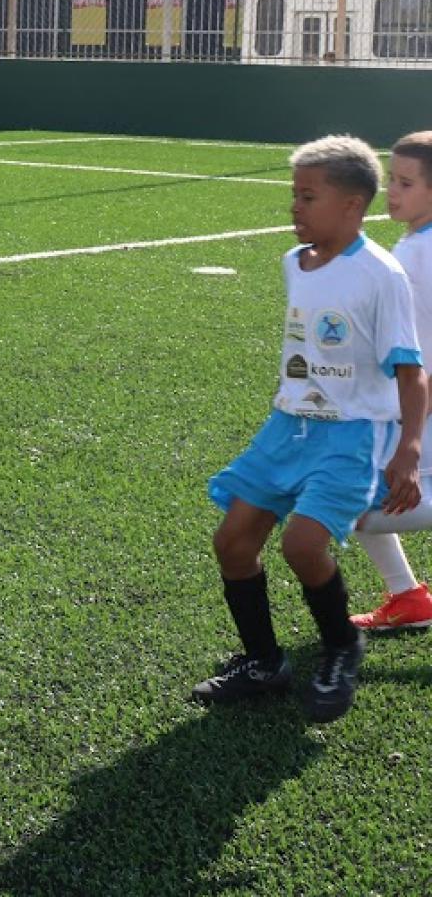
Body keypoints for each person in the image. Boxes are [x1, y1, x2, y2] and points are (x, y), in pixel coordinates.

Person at [193, 135, 426, 724]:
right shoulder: (294, 263)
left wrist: (407, 448)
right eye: (293, 195)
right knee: (233, 543)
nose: (294, 207)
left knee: (303, 545)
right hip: (287, 427)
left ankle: (342, 648)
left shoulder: (382, 273)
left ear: (351, 205)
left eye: (307, 197)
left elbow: (410, 369)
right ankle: (264, 662)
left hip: (351, 435)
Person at [350, 131, 432, 629]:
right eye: (391, 179)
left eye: (405, 182)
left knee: (349, 503)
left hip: (415, 410)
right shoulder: (415, 246)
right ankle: (408, 597)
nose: (391, 192)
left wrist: (410, 421)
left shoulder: (416, 258)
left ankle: (408, 596)